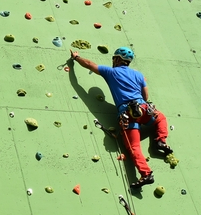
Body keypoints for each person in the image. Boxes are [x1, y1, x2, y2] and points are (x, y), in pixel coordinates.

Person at [69, 46, 172, 187]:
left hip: (127, 114)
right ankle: (160, 140)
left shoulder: (111, 72)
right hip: (143, 109)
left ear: (117, 59)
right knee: (160, 118)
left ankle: (146, 174)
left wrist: (76, 57)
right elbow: (145, 95)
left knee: (134, 147)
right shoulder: (139, 75)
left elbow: (89, 65)